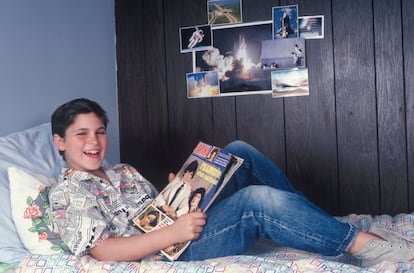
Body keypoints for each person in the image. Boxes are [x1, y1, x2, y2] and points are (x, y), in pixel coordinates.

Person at [48, 98, 414, 267]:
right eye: (81, 134)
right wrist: (174, 233)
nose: (93, 142)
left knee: (238, 151)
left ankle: (321, 228)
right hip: (169, 250)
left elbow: (152, 210)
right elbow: (104, 251)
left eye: (99, 132)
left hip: (179, 225)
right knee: (256, 200)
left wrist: (179, 190)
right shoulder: (67, 192)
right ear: (60, 141)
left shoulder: (122, 171)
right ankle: (361, 245)